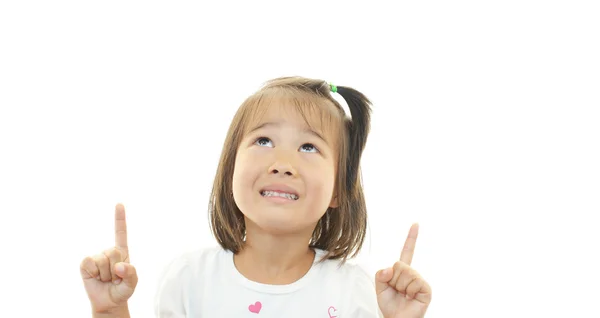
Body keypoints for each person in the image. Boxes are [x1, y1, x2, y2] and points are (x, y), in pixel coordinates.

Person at [80, 76, 432, 318]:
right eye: (264, 141)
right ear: (231, 168)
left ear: (339, 189)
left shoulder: (356, 291)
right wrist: (110, 310)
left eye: (309, 147)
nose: (283, 163)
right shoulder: (190, 279)